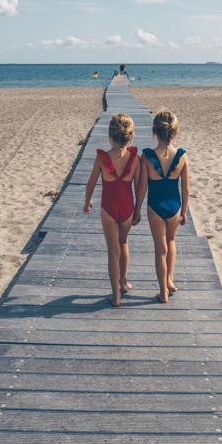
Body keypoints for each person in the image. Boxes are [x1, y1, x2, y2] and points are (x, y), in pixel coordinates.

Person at [134, 110, 190, 303]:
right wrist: (183, 212)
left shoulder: (147, 156)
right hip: (174, 205)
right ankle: (169, 280)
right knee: (171, 241)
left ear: (154, 132)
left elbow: (142, 187)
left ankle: (163, 291)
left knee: (160, 249)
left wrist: (136, 210)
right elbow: (185, 188)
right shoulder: (182, 156)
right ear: (175, 132)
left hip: (155, 206)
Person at [84, 114, 140, 307]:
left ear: (110, 136)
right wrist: (138, 209)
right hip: (128, 208)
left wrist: (87, 202)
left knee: (112, 250)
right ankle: (123, 282)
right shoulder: (135, 159)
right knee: (124, 243)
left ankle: (115, 294)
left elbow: (90, 183)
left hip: (108, 208)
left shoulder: (102, 159)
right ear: (130, 137)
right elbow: (140, 187)